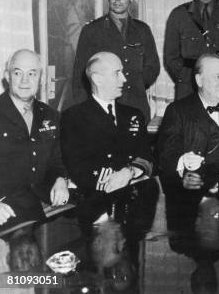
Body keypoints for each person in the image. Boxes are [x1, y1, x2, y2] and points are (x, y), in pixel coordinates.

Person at [157, 54, 219, 293]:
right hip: (192, 198)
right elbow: (164, 156)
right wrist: (182, 160)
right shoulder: (178, 110)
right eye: (217, 76)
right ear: (199, 79)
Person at [61, 52, 158, 280]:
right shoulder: (74, 117)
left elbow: (148, 157)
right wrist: (113, 178)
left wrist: (130, 171)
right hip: (95, 207)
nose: (124, 79)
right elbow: (76, 167)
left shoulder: (133, 115)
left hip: (135, 207)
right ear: (97, 78)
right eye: (117, 73)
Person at [72, 0, 160, 122]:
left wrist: (133, 83)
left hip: (136, 108)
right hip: (103, 109)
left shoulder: (142, 30)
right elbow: (80, 76)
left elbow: (153, 67)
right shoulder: (92, 31)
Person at [0, 49, 69, 230]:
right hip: (7, 206)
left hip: (42, 198)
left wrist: (61, 179)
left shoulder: (50, 115)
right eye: (17, 73)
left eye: (32, 73)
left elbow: (57, 160)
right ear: (7, 76)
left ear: (42, 79)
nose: (24, 81)